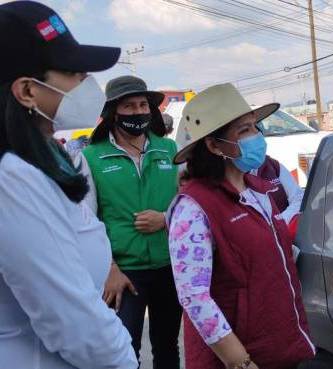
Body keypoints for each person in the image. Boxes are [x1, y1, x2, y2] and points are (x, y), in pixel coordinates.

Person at [0, 2, 137, 368]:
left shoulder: (41, 159)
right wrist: (125, 360)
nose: (88, 85)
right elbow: (75, 324)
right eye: (75, 73)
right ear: (28, 91)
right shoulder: (11, 179)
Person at [168, 83, 316, 369]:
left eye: (255, 127)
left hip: (280, 347)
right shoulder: (193, 208)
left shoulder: (256, 189)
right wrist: (241, 363)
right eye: (244, 131)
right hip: (240, 359)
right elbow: (195, 298)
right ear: (213, 145)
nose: (257, 137)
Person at [75, 75, 181, 367]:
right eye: (128, 106)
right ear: (113, 113)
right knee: (123, 350)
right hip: (123, 274)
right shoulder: (92, 157)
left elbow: (188, 204)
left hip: (168, 267)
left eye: (142, 105)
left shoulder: (169, 151)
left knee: (168, 347)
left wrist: (165, 218)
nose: (137, 112)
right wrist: (109, 269)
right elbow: (85, 221)